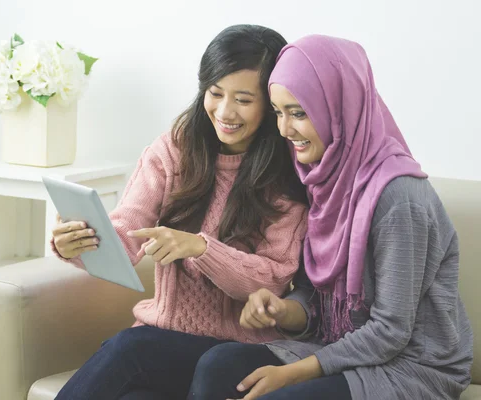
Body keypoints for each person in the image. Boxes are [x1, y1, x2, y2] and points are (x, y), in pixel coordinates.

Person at [188, 34, 474, 400]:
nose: (284, 130)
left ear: (340, 108)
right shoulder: (323, 182)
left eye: (298, 113)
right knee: (217, 365)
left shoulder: (400, 199)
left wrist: (292, 374)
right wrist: (283, 309)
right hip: (339, 346)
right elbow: (314, 296)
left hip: (413, 366)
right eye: (278, 112)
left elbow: (391, 331)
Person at [51, 24, 309, 400]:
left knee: (129, 348)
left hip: (237, 352)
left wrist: (201, 249)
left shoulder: (285, 173)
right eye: (215, 93)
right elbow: (126, 236)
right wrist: (78, 242)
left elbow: (271, 279)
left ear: (270, 104)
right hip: (162, 341)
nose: (224, 111)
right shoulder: (173, 150)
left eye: (243, 99)